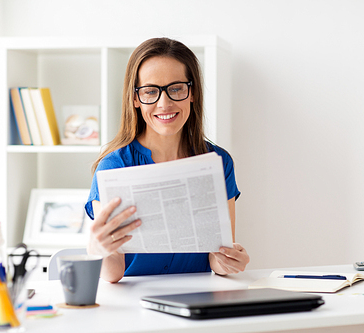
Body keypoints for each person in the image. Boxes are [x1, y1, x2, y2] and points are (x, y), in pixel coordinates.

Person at [85, 37, 249, 283]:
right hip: (135, 303)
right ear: (135, 99)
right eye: (150, 91)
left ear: (192, 93)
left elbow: (217, 259)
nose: (164, 103)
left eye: (176, 88)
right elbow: (113, 273)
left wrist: (230, 261)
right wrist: (98, 249)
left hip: (198, 299)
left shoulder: (218, 162)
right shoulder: (114, 167)